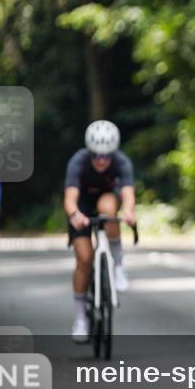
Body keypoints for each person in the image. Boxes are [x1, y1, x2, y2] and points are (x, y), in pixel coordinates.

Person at [64, 120, 136, 343]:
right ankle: (80, 318)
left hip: (107, 199)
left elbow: (128, 194)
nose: (102, 160)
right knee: (84, 259)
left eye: (107, 155)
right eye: (97, 155)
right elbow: (69, 198)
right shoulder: (78, 161)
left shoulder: (122, 162)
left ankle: (118, 264)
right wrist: (75, 215)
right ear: (90, 151)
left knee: (107, 209)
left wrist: (129, 212)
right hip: (82, 207)